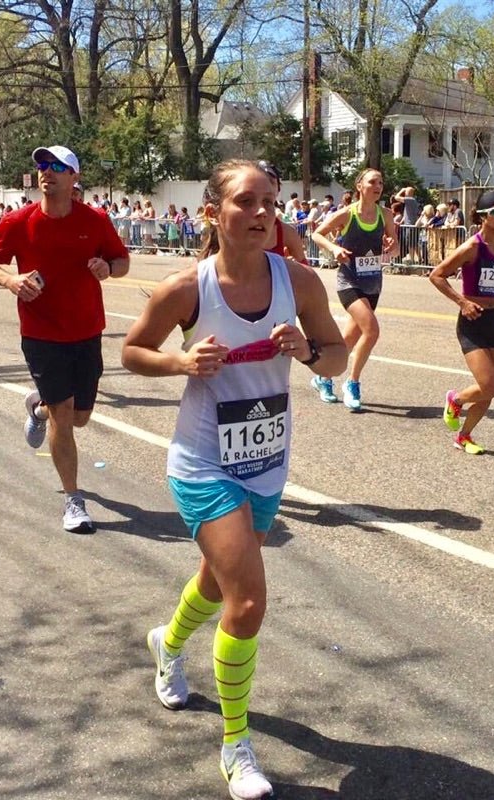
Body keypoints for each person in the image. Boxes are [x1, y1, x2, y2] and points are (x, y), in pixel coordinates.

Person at [121, 159, 347, 800]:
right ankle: (236, 745)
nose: (262, 213)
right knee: (247, 601)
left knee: (219, 581)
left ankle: (168, 643)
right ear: (212, 214)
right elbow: (133, 352)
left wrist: (307, 351)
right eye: (246, 202)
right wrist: (181, 362)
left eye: (270, 201)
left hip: (266, 460)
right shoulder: (187, 289)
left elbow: (336, 356)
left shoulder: (299, 281)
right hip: (204, 462)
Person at [0, 145, 130, 532]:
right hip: (41, 334)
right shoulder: (18, 221)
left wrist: (107, 268)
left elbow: (122, 261)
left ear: (74, 177)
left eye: (57, 166)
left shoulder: (94, 220)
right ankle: (73, 501)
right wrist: (10, 279)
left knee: (79, 417)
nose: (47, 171)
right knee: (64, 414)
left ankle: (38, 409)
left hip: (86, 331)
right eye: (43, 165)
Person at [429, 189, 494, 454]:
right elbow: (436, 275)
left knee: (490, 389)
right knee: (490, 385)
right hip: (472, 320)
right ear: (483, 216)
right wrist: (462, 302)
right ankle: (456, 399)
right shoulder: (472, 248)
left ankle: (464, 436)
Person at [310, 167, 398, 407]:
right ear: (360, 186)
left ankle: (323, 377)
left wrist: (391, 246)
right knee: (372, 330)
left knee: (349, 338)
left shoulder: (386, 215)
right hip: (349, 281)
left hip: (373, 283)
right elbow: (317, 234)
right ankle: (352, 382)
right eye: (372, 182)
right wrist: (334, 249)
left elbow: (395, 247)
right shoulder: (347, 214)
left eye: (380, 182)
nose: (378, 186)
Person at [257, 161, 307, 263]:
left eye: (271, 181)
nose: (265, 186)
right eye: (259, 181)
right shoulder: (235, 227)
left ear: (278, 189)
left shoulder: (287, 232)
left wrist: (290, 267)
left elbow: (304, 267)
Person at [394, 186, 419, 263]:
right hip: (411, 225)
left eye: (405, 192)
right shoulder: (413, 201)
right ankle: (420, 258)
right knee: (414, 243)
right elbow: (406, 215)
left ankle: (412, 259)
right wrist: (401, 222)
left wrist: (401, 190)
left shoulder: (409, 200)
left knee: (410, 243)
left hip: (409, 225)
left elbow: (396, 197)